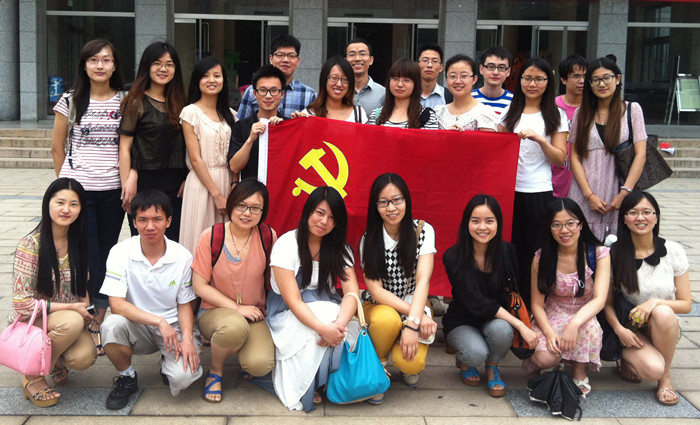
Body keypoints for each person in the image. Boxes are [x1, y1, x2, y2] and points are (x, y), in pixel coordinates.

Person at [50, 39, 126, 349]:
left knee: (106, 256)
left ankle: (98, 318)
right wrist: (66, 185)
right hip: (79, 192)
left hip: (113, 189)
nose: (100, 65)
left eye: (106, 60)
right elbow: (57, 147)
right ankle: (84, 313)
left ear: (114, 66)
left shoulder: (124, 101)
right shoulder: (71, 100)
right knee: (85, 254)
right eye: (93, 60)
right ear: (84, 65)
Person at [100, 190, 203, 410]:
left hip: (174, 327)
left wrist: (187, 338)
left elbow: (185, 304)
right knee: (111, 325)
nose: (150, 226)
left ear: (169, 221)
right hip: (137, 325)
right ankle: (127, 377)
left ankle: (168, 363)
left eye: (157, 219)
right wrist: (158, 321)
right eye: (143, 220)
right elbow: (116, 304)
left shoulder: (182, 256)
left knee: (184, 378)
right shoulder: (120, 252)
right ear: (134, 222)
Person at [266, 186, 359, 412]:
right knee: (325, 318)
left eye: (332, 217)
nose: (324, 221)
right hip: (288, 310)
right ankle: (311, 384)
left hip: (327, 305)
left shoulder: (339, 248)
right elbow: (293, 300)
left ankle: (330, 380)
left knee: (342, 322)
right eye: (320, 213)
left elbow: (352, 293)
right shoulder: (287, 244)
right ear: (308, 211)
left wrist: (339, 325)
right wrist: (324, 328)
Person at [11, 178, 96, 407]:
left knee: (84, 357)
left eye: (74, 204)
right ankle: (32, 376)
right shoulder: (30, 245)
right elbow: (21, 304)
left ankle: (55, 360)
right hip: (33, 321)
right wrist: (72, 309)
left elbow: (82, 287)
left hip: (67, 320)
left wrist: (87, 315)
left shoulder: (78, 241)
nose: (66, 209)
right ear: (47, 203)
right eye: (60, 202)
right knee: (70, 321)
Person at [442, 195, 538, 398]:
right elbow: (480, 303)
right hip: (462, 320)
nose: (482, 227)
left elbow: (514, 291)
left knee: (503, 330)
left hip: (494, 320)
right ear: (467, 223)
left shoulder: (507, 251)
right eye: (476, 221)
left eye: (489, 221)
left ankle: (492, 366)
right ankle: (466, 360)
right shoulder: (453, 256)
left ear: (498, 223)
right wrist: (521, 326)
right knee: (476, 353)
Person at [192, 179, 277, 403]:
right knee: (234, 327)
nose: (247, 213)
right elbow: (199, 286)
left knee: (260, 365)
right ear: (231, 205)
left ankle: (241, 351)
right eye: (241, 205)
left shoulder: (268, 236)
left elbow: (273, 281)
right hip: (214, 312)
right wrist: (237, 308)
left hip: (254, 313)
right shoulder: (211, 236)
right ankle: (215, 371)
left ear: (263, 211)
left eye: (255, 208)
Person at [607, 191, 691, 406]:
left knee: (663, 312)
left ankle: (665, 380)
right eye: (633, 212)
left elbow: (686, 304)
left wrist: (654, 302)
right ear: (624, 219)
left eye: (647, 212)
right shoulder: (614, 253)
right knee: (652, 369)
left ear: (656, 217)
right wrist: (619, 330)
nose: (640, 218)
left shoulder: (673, 251)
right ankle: (626, 359)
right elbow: (607, 303)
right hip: (630, 328)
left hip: (665, 327)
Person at [360, 173, 437, 403]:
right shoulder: (369, 239)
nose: (391, 208)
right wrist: (417, 317)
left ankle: (401, 357)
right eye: (383, 202)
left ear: (406, 200)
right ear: (376, 206)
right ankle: (378, 366)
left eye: (397, 200)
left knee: (411, 364)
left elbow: (423, 280)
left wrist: (412, 323)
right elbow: (376, 291)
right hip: (379, 305)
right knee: (387, 320)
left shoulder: (423, 231)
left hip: (413, 300)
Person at [498, 57, 568, 306]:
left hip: (538, 191)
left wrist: (540, 140)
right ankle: (510, 300)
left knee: (534, 251)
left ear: (548, 82)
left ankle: (532, 304)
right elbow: (495, 149)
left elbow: (560, 158)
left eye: (539, 79)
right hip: (509, 191)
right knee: (509, 248)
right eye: (527, 78)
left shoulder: (556, 115)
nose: (532, 84)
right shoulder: (509, 111)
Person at [527, 198, 610, 397]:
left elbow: (600, 299)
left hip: (584, 312)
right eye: (556, 225)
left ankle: (579, 369)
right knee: (545, 359)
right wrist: (549, 333)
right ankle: (557, 363)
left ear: (581, 224)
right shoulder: (541, 257)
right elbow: (536, 304)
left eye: (570, 223)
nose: (564, 230)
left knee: (588, 327)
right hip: (552, 312)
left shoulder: (598, 253)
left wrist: (574, 323)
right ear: (549, 228)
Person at [568, 57, 648, 241]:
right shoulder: (582, 113)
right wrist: (589, 195)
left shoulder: (632, 110)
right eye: (595, 80)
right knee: (581, 243)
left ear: (617, 79)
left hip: (619, 190)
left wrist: (624, 193)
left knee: (617, 244)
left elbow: (640, 155)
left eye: (606, 78)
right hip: (584, 191)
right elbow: (575, 157)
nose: (601, 84)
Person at [119, 41, 188, 242]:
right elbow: (124, 148)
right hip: (144, 183)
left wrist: (188, 178)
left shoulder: (183, 103)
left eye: (169, 64)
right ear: (147, 67)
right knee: (146, 240)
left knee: (174, 243)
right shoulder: (136, 102)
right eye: (157, 63)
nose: (163, 69)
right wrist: (127, 182)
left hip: (177, 185)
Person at [179, 56, 237, 254]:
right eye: (205, 76)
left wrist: (233, 187)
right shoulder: (190, 112)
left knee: (225, 243)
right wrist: (217, 195)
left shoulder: (231, 115)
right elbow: (195, 159)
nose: (212, 80)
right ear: (197, 80)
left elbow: (235, 155)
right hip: (202, 184)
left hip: (227, 182)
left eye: (217, 75)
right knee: (199, 241)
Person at [228, 65, 286, 181]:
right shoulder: (241, 126)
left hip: (283, 190)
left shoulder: (289, 125)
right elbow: (234, 167)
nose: (268, 96)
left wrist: (288, 128)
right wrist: (250, 139)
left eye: (274, 91)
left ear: (282, 94)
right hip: (252, 190)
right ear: (254, 94)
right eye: (263, 90)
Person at [237, 35, 316, 119]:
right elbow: (242, 124)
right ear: (271, 59)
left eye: (291, 56)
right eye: (280, 55)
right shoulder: (252, 91)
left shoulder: (309, 95)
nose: (285, 60)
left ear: (298, 61)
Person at [367, 58, 439, 129]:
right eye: (395, 79)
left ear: (416, 84)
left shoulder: (427, 117)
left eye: (406, 80)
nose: (400, 84)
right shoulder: (376, 115)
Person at [552, 54, 587, 199]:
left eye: (585, 76)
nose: (582, 81)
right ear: (563, 79)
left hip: (585, 179)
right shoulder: (551, 107)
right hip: (556, 178)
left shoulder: (593, 109)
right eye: (576, 76)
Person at [292, 56, 367, 123]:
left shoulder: (358, 114)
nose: (339, 84)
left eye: (345, 79)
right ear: (324, 80)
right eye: (334, 78)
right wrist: (297, 123)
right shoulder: (309, 114)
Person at [434, 54, 499, 132]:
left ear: (474, 79)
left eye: (464, 76)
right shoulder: (439, 112)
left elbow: (488, 140)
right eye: (452, 76)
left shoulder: (484, 113)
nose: (458, 81)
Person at [345, 38, 385, 113]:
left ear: (371, 60)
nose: (357, 59)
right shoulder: (339, 91)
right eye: (352, 54)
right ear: (345, 60)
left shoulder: (383, 93)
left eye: (362, 54)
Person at [472, 46, 513, 116]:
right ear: (481, 69)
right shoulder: (469, 99)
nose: (495, 72)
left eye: (501, 67)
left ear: (508, 71)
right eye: (491, 67)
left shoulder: (514, 102)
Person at [417, 43, 452, 108]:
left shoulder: (449, 96)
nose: (429, 65)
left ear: (441, 67)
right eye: (425, 60)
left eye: (435, 61)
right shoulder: (408, 93)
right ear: (417, 65)